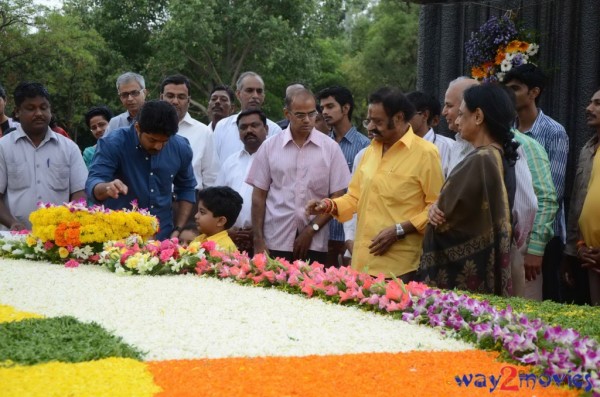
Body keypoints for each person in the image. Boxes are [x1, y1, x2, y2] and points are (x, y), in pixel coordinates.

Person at [307, 87, 443, 280]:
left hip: (401, 269)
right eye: (368, 120)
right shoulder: (369, 152)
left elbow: (435, 207)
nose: (370, 127)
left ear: (398, 118)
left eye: (377, 122)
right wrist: (328, 205)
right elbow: (354, 197)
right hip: (362, 264)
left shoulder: (426, 153)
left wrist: (399, 230)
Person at [419, 84, 520, 296]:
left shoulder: (482, 160)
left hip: (467, 282)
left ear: (478, 116)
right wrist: (436, 208)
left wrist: (437, 216)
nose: (456, 121)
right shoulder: (494, 156)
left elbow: (452, 218)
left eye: (462, 114)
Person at [441, 76, 537, 297]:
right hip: (464, 258)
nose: (449, 114)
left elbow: (527, 206)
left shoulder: (500, 151)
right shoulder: (457, 146)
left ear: (478, 114)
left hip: (494, 255)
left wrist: (506, 238)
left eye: (452, 106)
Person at [247, 88, 350, 264]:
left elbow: (338, 196)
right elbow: (259, 196)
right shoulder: (270, 147)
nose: (307, 120)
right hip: (276, 239)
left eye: (312, 114)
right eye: (300, 115)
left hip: (315, 242)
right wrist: (258, 240)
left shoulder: (330, 148)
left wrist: (312, 229)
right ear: (287, 114)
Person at [85, 100, 196, 241]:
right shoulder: (113, 143)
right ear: (137, 127)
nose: (158, 146)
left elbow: (187, 188)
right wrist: (107, 187)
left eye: (165, 141)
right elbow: (93, 183)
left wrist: (179, 228)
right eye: (152, 140)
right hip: (119, 237)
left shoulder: (181, 147)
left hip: (163, 236)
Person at [503, 64, 569, 301]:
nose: (509, 94)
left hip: (544, 236)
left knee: (535, 303)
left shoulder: (553, 131)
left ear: (534, 92)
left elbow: (555, 192)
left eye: (516, 89)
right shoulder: (507, 130)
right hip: (514, 236)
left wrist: (535, 248)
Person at [0, 82, 87, 230]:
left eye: (43, 107)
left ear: (50, 110)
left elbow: (80, 191)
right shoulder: (3, 147)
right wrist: (12, 223)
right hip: (13, 241)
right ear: (17, 112)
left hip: (59, 240)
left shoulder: (69, 148)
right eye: (31, 108)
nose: (39, 113)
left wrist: (68, 222)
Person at [317, 86, 371, 267]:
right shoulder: (320, 144)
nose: (324, 112)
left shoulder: (365, 147)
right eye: (322, 107)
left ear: (346, 108)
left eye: (330, 106)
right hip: (321, 233)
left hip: (350, 236)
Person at [562, 87, 600, 306]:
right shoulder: (588, 150)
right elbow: (578, 204)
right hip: (586, 256)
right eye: (590, 102)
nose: (588, 108)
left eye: (598, 104)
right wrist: (574, 250)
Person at [215, 109, 269, 254]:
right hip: (232, 239)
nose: (249, 130)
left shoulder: (276, 159)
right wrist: (227, 230)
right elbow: (219, 201)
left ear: (266, 128)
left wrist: (258, 231)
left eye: (254, 125)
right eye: (243, 127)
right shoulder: (230, 162)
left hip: (267, 240)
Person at [160, 74, 219, 190]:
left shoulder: (204, 132)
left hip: (192, 201)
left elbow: (211, 178)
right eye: (170, 96)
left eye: (181, 97)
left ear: (189, 100)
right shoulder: (149, 129)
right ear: (161, 97)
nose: (175, 101)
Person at [213, 72, 282, 161]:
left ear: (263, 96)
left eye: (259, 91)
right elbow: (213, 165)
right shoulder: (222, 126)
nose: (255, 96)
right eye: (249, 90)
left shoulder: (275, 131)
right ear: (238, 94)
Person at [406, 91, 455, 178]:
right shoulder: (396, 145)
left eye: (407, 114)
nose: (402, 120)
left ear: (425, 115)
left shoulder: (449, 148)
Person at [192, 186, 243, 252]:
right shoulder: (198, 239)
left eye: (202, 212)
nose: (196, 216)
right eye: (198, 211)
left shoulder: (225, 250)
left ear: (220, 221)